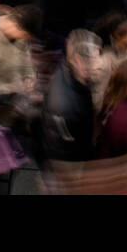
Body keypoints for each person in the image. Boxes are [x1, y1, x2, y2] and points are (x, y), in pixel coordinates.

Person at [43, 29, 100, 162]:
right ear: (79, 61)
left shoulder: (71, 76)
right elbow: (67, 149)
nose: (99, 65)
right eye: (95, 59)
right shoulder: (65, 105)